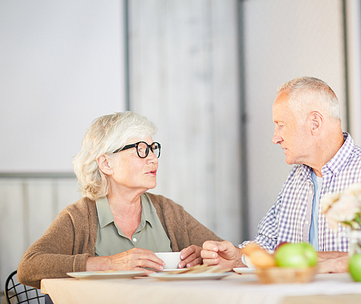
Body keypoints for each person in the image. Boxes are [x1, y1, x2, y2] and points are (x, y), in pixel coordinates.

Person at [202, 76, 361, 273]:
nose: (275, 137)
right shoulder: (296, 179)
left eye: (281, 126)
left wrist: (333, 261)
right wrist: (238, 257)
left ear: (315, 123)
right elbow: (269, 244)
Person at [18, 111, 222, 289]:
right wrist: (107, 264)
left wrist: (205, 256)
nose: (153, 158)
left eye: (153, 149)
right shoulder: (79, 217)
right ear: (106, 163)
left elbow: (228, 254)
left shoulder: (169, 211)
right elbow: (29, 266)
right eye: (141, 149)